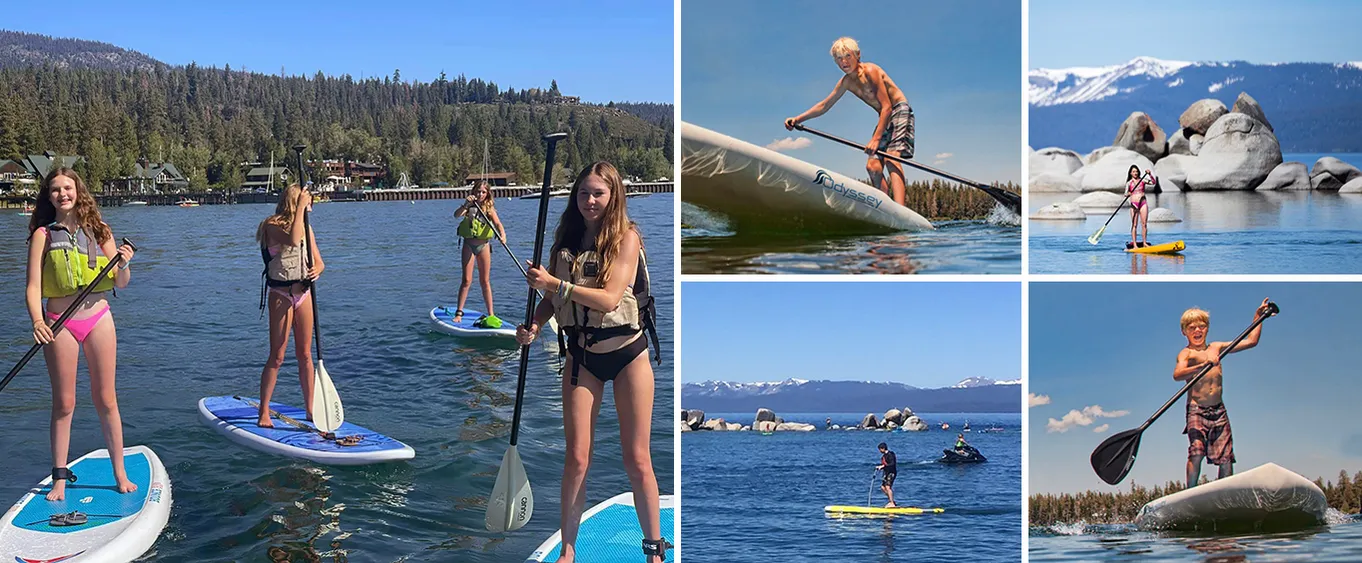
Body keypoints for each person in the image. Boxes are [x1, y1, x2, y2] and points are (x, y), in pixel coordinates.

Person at [518, 161, 666, 562]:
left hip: (627, 356)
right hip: (581, 357)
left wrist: (554, 283)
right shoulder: (567, 237)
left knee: (636, 458)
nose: (590, 200)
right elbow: (553, 300)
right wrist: (532, 324)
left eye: (598, 193)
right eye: (583, 193)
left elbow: (610, 298)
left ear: (613, 195)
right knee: (577, 456)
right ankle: (568, 550)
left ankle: (654, 549)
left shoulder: (627, 239)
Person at [26, 168, 137, 501]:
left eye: (68, 188)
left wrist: (125, 263)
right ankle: (59, 479)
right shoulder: (43, 235)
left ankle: (120, 473)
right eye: (56, 189)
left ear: (78, 191)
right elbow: (33, 287)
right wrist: (37, 321)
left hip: (98, 317)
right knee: (64, 403)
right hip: (59, 322)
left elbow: (120, 281)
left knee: (106, 399)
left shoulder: (100, 230)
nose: (63, 194)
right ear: (49, 197)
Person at [785, 36, 915, 207]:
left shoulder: (871, 71)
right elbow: (824, 105)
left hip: (898, 110)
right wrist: (798, 119)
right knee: (873, 167)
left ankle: (900, 209)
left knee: (891, 158)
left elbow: (887, 107)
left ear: (857, 55)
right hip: (884, 116)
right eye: (839, 58)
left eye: (847, 56)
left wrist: (876, 138)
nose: (844, 62)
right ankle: (886, 208)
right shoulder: (846, 82)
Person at [1175, 299, 1272, 488]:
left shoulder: (1216, 348)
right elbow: (1177, 375)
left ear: (1207, 328)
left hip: (1219, 410)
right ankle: (1190, 492)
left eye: (1201, 326)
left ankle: (1223, 492)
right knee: (1197, 452)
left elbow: (1251, 341)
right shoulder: (1186, 354)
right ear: (1184, 331)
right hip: (1196, 410)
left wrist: (1258, 318)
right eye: (1192, 327)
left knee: (1226, 458)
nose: (1197, 331)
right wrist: (1204, 365)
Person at [255, 184, 324, 428]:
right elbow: (293, 240)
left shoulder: (307, 227)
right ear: (295, 202)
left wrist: (317, 269)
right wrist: (301, 208)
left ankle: (309, 409)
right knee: (278, 355)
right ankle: (263, 411)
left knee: (305, 354)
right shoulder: (272, 226)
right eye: (306, 201)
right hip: (281, 295)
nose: (311, 205)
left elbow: (319, 261)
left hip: (303, 293)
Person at [451, 180, 507, 325]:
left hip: (484, 246)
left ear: (487, 193)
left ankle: (491, 314)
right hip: (469, 245)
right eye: (477, 191)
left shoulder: (489, 209)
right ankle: (459, 312)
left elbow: (498, 224)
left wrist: (502, 235)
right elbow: (456, 215)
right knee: (467, 280)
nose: (480, 194)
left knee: (485, 281)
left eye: (483, 192)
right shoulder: (468, 206)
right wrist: (465, 204)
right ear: (473, 192)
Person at [1126, 165, 1156, 249]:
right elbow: (1125, 194)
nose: (1135, 173)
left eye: (1136, 171)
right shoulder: (1129, 183)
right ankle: (1135, 244)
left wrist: (1150, 174)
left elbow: (1153, 183)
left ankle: (1144, 243)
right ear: (1130, 173)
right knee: (1134, 225)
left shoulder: (1143, 180)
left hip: (1143, 203)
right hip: (1134, 205)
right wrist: (1127, 194)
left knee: (1144, 224)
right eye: (1133, 172)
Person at [875, 442, 898, 508]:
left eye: (880, 449)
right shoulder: (884, 456)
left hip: (891, 473)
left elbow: (892, 464)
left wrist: (883, 466)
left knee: (888, 487)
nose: (879, 451)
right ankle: (892, 501)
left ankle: (892, 503)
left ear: (883, 448)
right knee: (883, 487)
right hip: (886, 473)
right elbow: (884, 465)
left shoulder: (890, 454)